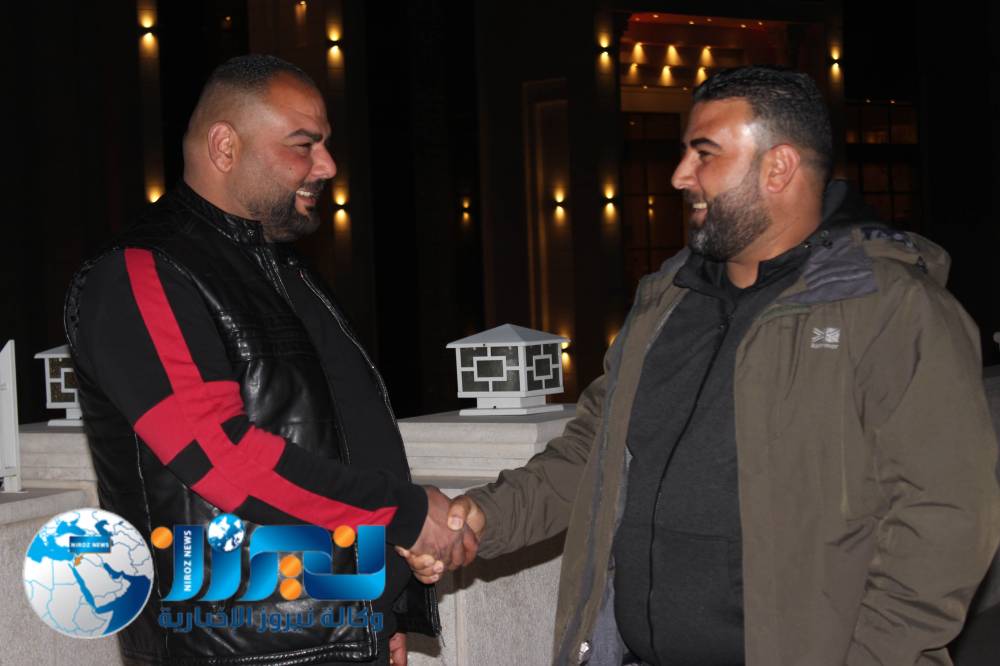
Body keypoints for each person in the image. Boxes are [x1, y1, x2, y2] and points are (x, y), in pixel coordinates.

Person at [403, 66, 1000, 665]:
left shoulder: (893, 310)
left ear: (778, 167)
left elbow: (945, 519)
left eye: (704, 153)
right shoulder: (665, 303)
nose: (680, 175)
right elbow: (593, 452)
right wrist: (483, 516)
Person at [65, 54, 470, 666]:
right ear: (225, 146)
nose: (327, 165)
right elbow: (220, 459)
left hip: (335, 636)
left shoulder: (287, 271)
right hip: (233, 652)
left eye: (325, 144)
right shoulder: (139, 272)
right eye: (304, 145)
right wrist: (406, 513)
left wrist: (382, 609)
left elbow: (340, 447)